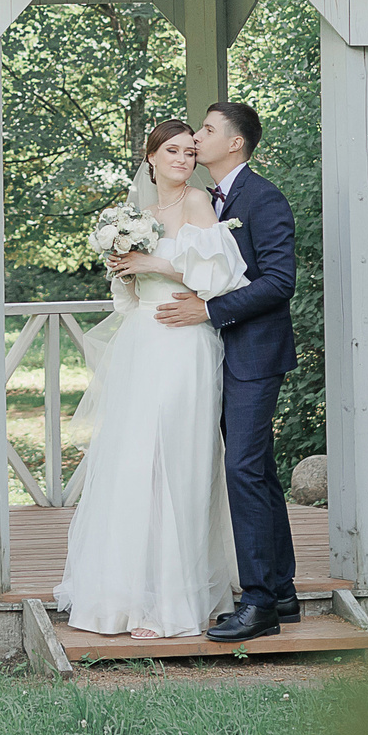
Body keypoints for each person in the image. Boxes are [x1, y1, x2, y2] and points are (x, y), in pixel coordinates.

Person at [50, 120, 246, 639]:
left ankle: (174, 602)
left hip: (183, 340)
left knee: (177, 457)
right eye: (172, 150)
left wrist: (151, 260)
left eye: (190, 152)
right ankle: (124, 596)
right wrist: (126, 268)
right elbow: (130, 294)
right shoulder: (137, 216)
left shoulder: (199, 203)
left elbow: (219, 276)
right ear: (151, 157)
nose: (183, 159)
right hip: (142, 337)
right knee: (133, 460)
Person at [150, 98, 299, 643]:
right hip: (216, 354)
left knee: (243, 469)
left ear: (235, 143)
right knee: (256, 471)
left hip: (254, 355)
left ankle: (258, 604)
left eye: (207, 130)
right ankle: (281, 592)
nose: (196, 137)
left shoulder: (262, 197)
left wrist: (210, 311)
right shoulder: (210, 199)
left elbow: (279, 281)